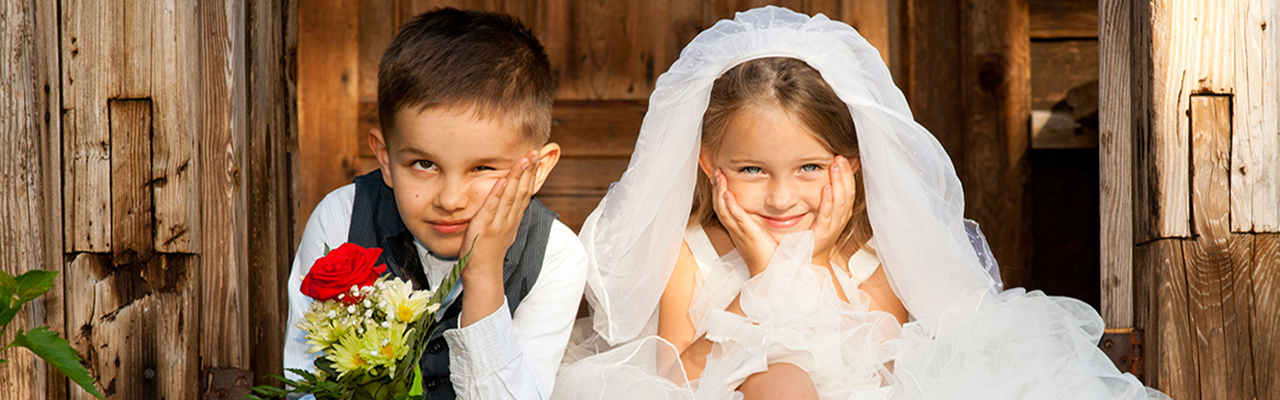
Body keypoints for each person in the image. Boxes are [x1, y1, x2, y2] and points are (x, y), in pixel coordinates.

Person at [555, 6, 1168, 400]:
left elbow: (889, 368)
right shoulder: (688, 253)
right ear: (709, 164)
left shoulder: (870, 256)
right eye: (750, 169)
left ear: (848, 167)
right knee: (781, 383)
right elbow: (671, 377)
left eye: (810, 168)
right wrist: (767, 280)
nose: (781, 195)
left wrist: (812, 261)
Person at [283, 8, 588, 400]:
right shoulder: (340, 220)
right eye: (424, 164)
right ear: (385, 158)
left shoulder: (556, 256)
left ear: (538, 170)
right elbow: (304, 386)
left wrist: (484, 276)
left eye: (482, 167)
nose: (450, 199)